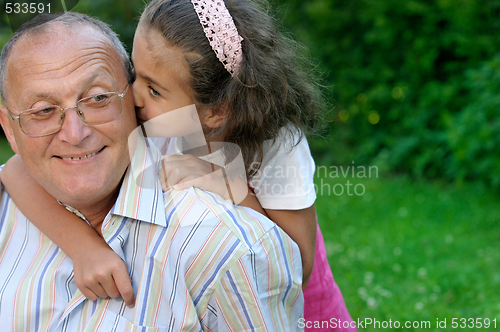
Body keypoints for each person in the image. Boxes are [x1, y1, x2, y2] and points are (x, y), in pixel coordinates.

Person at [3, 0, 356, 330]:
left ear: (215, 112)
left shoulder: (277, 143)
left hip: (305, 307)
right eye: (135, 75)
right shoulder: (153, 113)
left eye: (153, 89)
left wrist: (221, 181)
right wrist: (83, 246)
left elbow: (295, 263)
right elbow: (14, 171)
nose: (133, 95)